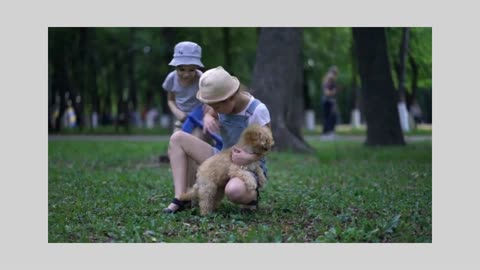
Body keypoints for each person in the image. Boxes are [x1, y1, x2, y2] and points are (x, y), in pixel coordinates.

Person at [163, 66, 272, 214]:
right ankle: (181, 199)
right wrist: (208, 117)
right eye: (211, 105)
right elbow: (209, 112)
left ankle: (251, 197)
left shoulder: (257, 110)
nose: (214, 109)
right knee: (178, 138)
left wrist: (248, 157)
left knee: (234, 191)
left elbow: (268, 145)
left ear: (232, 97)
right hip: (221, 158)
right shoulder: (218, 103)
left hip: (248, 165)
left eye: (217, 106)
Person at [321, 66, 339, 137]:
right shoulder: (328, 80)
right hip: (328, 101)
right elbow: (326, 93)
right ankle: (328, 133)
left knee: (330, 117)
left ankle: (328, 133)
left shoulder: (329, 80)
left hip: (330, 101)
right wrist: (334, 91)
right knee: (329, 117)